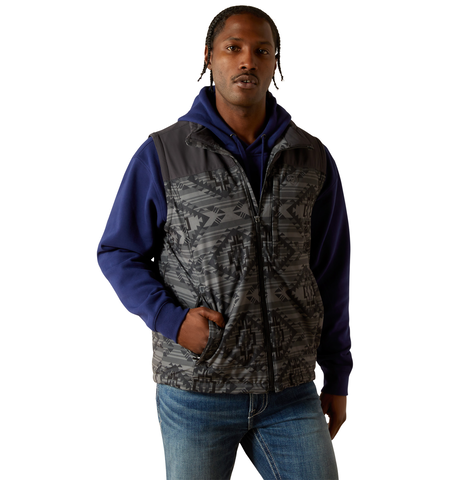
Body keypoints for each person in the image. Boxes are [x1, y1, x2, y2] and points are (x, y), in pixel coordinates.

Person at [98, 5, 352, 479]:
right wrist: (172, 321)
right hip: (197, 389)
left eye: (262, 50)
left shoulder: (311, 157)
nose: (247, 60)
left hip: (290, 392)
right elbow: (118, 251)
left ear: (275, 62)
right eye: (233, 48)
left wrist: (337, 373)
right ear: (209, 58)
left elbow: (331, 271)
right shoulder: (164, 153)